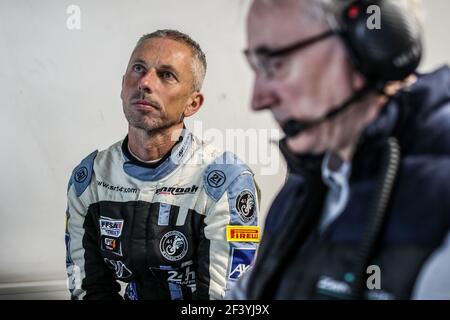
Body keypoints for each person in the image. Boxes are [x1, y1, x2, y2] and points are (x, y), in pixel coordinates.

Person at [229, 0, 450, 299]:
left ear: (372, 42)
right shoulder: (305, 187)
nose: (258, 100)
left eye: (274, 64)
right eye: (256, 67)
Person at [65, 29, 260, 300]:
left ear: (193, 103)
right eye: (138, 68)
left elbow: (223, 300)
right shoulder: (89, 178)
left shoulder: (226, 181)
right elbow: (90, 291)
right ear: (123, 86)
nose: (145, 82)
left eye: (166, 74)